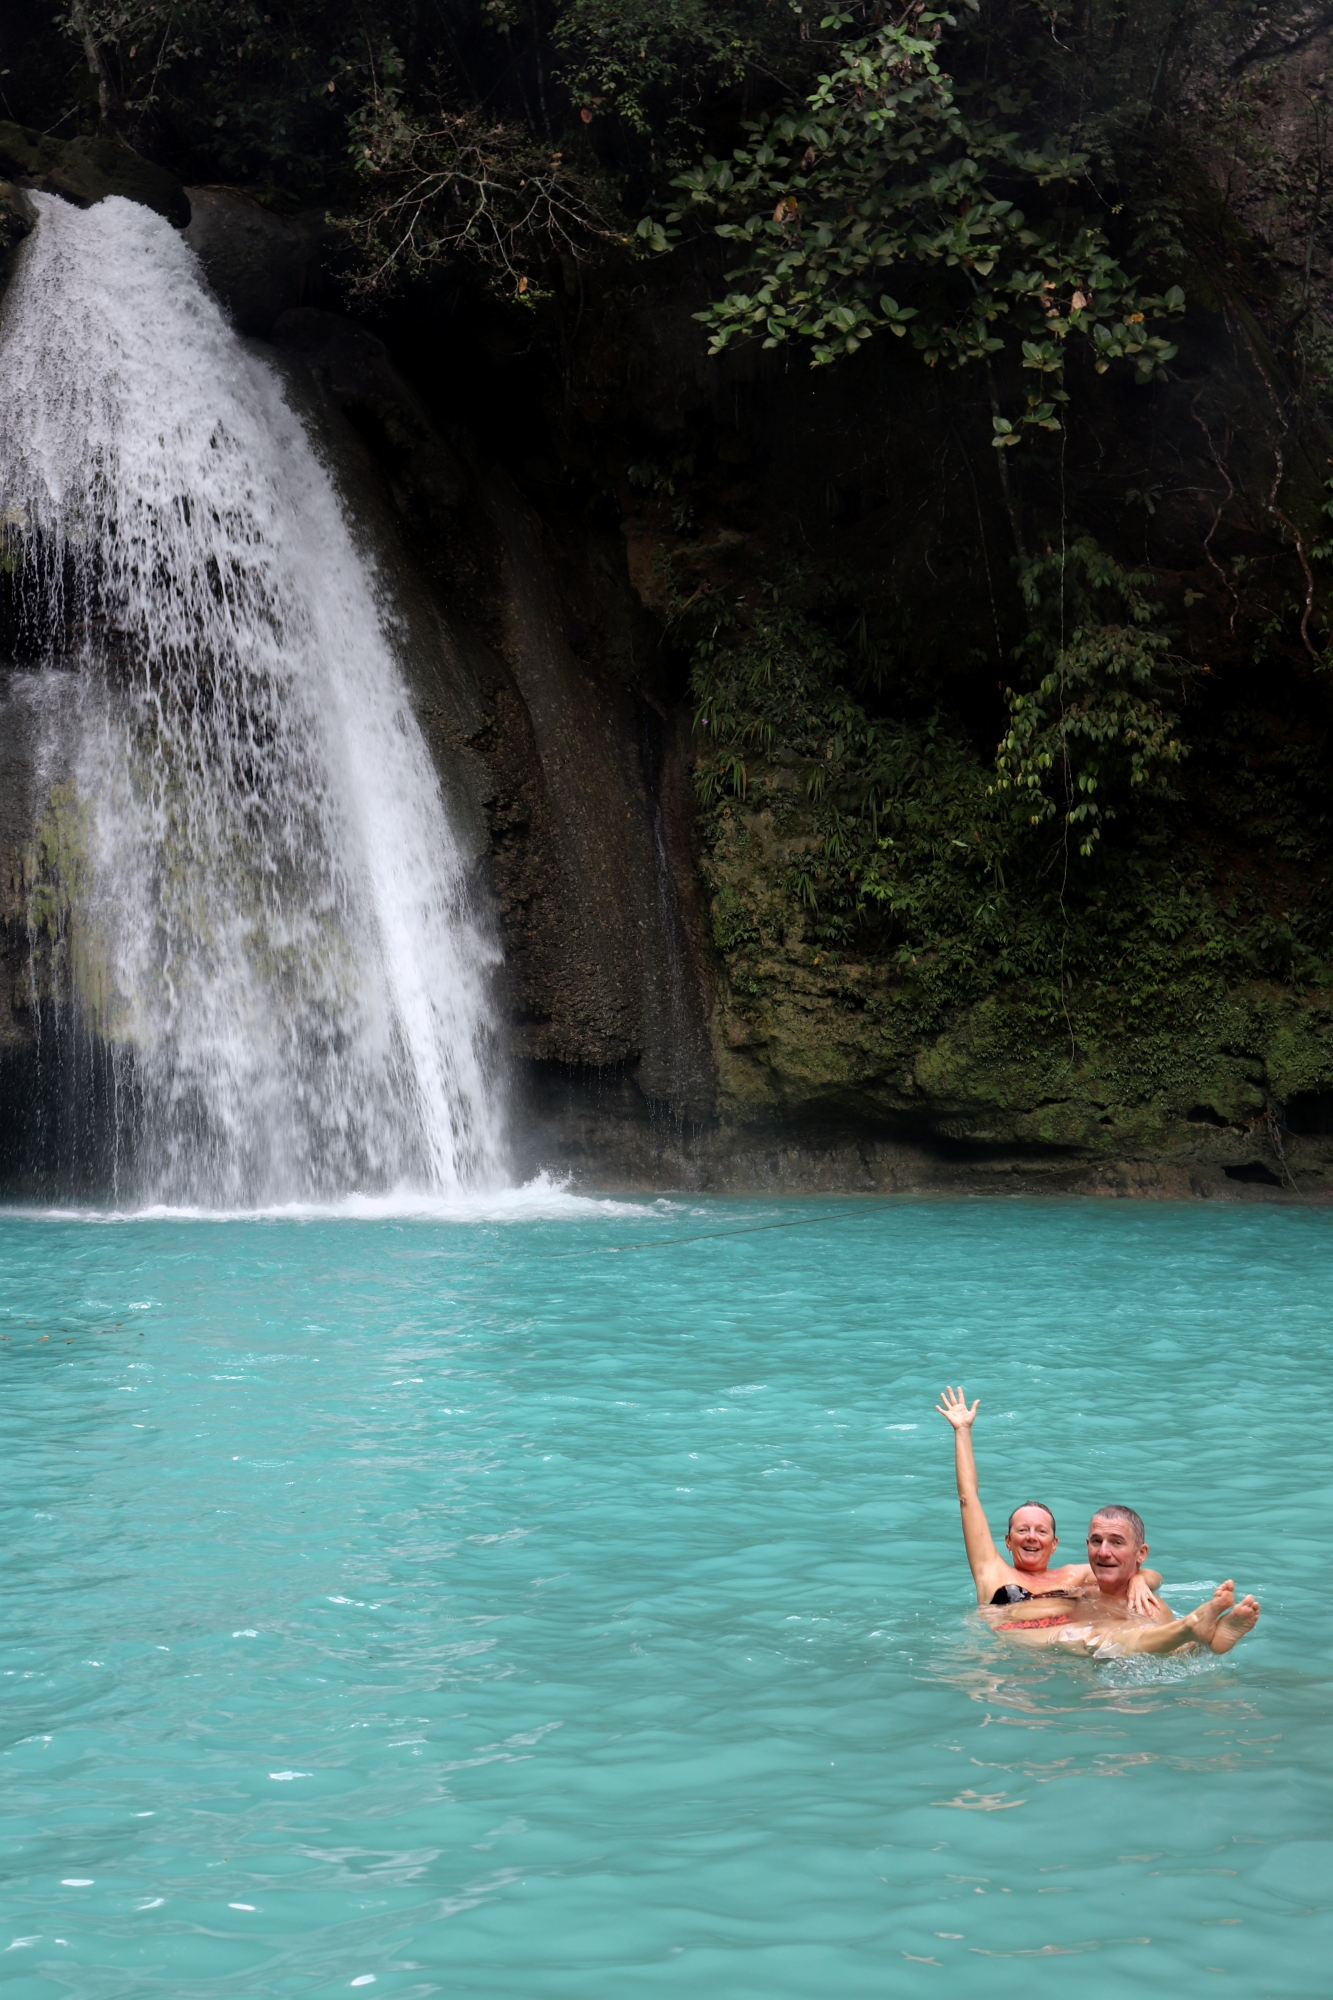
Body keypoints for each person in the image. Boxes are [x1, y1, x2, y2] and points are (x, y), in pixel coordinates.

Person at [936, 1384, 1161, 1612]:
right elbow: (968, 1498)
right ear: (1007, 1541)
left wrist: (1139, 1580)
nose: (1031, 1537)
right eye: (1022, 1530)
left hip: (1067, 1643)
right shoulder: (992, 1571)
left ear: (1054, 1544)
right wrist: (962, 1430)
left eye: (1041, 1531)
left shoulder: (1075, 1576)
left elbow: (1143, 1572)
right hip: (1007, 1645)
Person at [982, 1504, 1261, 1657]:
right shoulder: (1085, 1590)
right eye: (1097, 1541)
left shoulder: (1143, 1605)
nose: (1104, 1552)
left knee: (1076, 1637)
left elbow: (1165, 1666)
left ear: (1141, 1553)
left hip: (1130, 1678)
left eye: (1116, 1542)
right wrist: (1142, 1577)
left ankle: (1191, 1629)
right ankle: (1206, 1641)